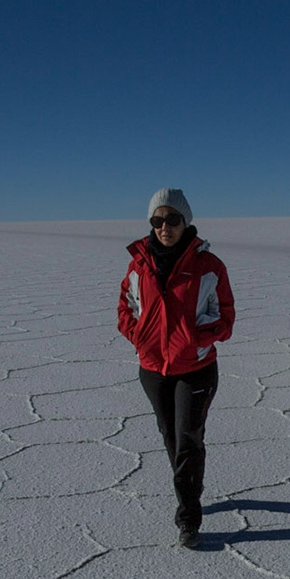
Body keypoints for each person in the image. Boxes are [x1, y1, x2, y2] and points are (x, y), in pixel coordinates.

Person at [117, 187, 235, 549]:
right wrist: (140, 337)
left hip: (195, 367)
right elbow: (125, 308)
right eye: (157, 220)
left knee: (188, 439)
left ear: (186, 221)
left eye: (172, 219)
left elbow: (225, 317)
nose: (164, 227)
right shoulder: (139, 265)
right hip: (153, 369)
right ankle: (191, 488)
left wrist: (195, 339)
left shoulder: (209, 266)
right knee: (170, 436)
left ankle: (188, 518)